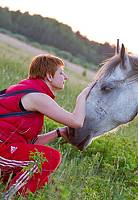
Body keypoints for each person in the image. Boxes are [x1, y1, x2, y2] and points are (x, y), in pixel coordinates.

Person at [0, 54, 95, 199]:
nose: (66, 77)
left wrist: (57, 132)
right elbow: (76, 121)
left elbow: (28, 144)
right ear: (49, 76)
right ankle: (10, 197)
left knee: (42, 180)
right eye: (61, 73)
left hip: (6, 149)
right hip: (2, 150)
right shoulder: (37, 96)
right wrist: (82, 96)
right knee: (49, 158)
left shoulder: (26, 89)